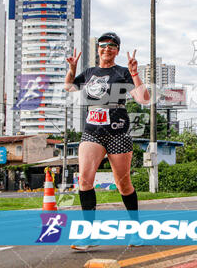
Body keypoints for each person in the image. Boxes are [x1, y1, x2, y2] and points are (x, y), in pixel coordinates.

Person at [65, 32, 150, 251]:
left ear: (117, 50)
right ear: (99, 48)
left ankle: (136, 230)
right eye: (103, 45)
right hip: (92, 131)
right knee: (84, 179)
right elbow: (69, 88)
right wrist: (73, 70)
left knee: (123, 184)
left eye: (112, 46)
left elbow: (143, 99)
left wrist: (135, 74)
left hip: (118, 132)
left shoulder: (122, 72)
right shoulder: (90, 73)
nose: (107, 49)